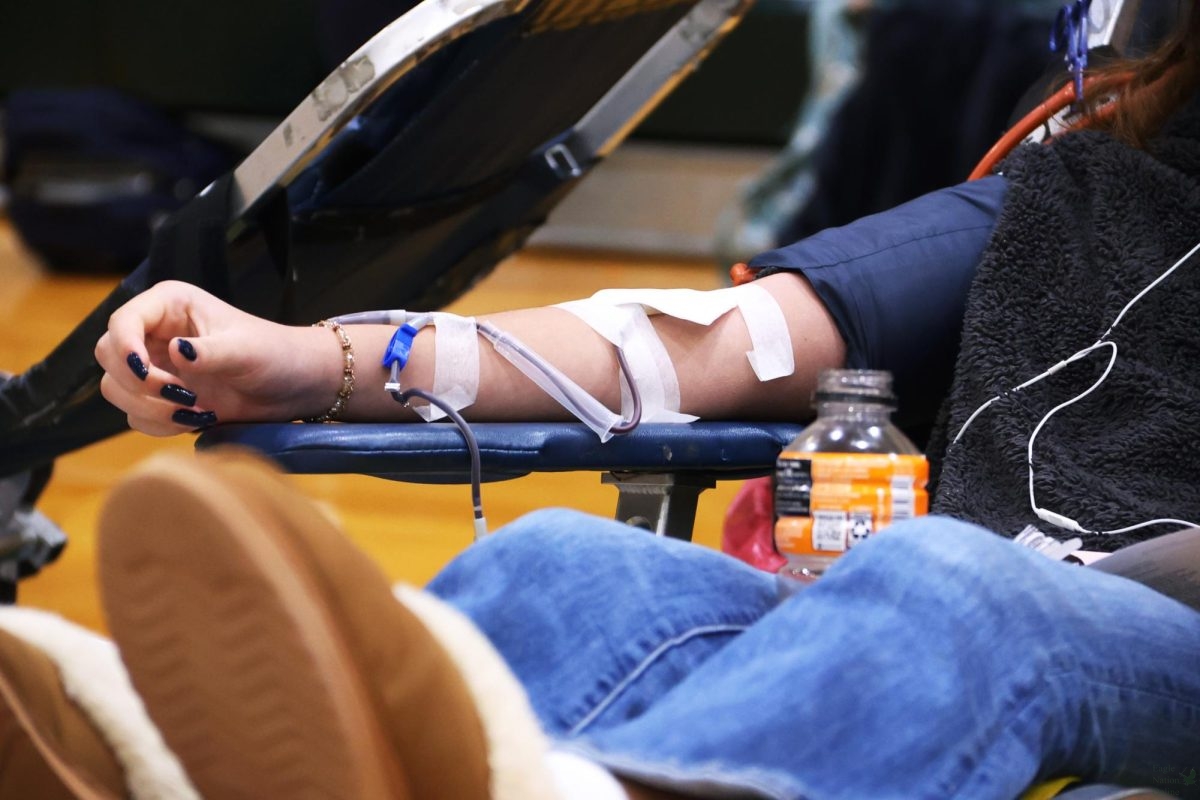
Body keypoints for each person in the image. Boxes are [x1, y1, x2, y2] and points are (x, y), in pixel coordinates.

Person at [3, 3, 1200, 799]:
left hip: (1139, 636)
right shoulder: (1095, 189)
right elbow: (697, 347)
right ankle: (157, 762)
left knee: (945, 580)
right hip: (985, 602)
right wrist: (321, 357)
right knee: (569, 567)